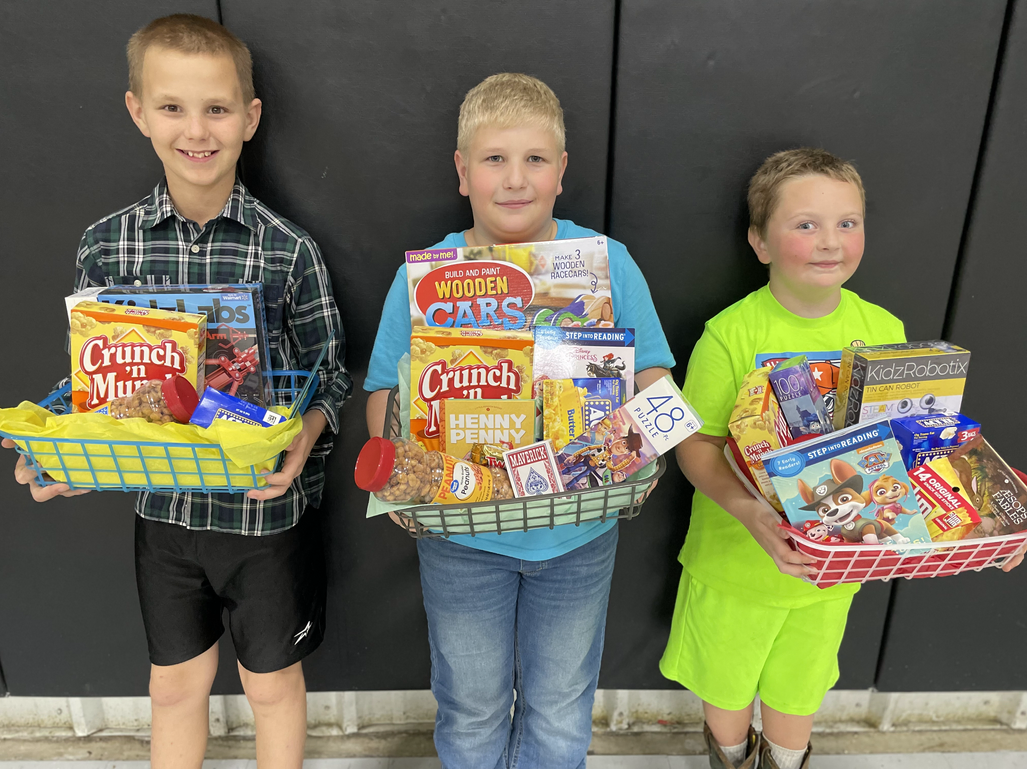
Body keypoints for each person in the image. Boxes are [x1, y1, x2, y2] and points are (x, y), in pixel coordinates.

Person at [2, 15, 350, 769]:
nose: (197, 130)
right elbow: (92, 385)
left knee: (272, 689)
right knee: (171, 688)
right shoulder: (105, 245)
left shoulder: (287, 250)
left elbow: (332, 375)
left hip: (265, 516)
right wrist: (63, 457)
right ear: (137, 112)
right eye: (172, 107)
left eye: (217, 108)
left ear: (249, 119)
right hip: (163, 517)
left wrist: (303, 441)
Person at [660, 147, 1024, 769]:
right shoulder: (732, 333)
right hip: (734, 565)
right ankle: (727, 757)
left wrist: (986, 512)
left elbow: (913, 445)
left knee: (800, 689)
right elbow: (694, 444)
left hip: (836, 570)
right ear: (760, 242)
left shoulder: (883, 327)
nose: (831, 242)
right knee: (725, 686)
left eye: (847, 223)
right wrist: (752, 515)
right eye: (806, 224)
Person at [364, 73, 675, 768]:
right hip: (460, 535)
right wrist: (399, 474)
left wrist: (640, 448)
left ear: (562, 172)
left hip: (579, 530)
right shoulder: (426, 274)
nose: (514, 179)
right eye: (494, 159)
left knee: (562, 708)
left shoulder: (607, 265)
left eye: (535, 159)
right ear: (462, 172)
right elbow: (387, 386)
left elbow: (655, 377)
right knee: (470, 707)